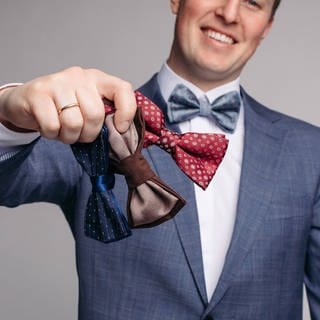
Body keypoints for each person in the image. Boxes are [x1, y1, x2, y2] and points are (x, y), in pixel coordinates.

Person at [0, 0, 319, 319]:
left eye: (253, 2)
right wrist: (9, 113)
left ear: (267, 27)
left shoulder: (310, 151)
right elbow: (8, 180)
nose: (229, 13)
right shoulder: (93, 120)